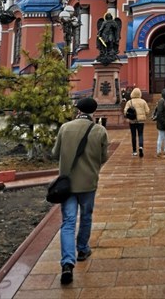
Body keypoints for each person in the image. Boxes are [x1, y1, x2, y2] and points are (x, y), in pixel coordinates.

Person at [52, 97, 108, 285]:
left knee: (68, 221)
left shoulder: (65, 128)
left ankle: (67, 263)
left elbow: (55, 153)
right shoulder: (99, 130)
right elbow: (103, 157)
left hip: (67, 184)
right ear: (94, 111)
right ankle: (82, 248)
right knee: (86, 216)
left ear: (77, 109)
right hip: (88, 183)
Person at [123, 87, 150, 157]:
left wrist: (130, 115)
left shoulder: (129, 102)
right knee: (140, 134)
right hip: (141, 121)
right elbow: (147, 111)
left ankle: (134, 151)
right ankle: (141, 147)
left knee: (133, 135)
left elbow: (125, 111)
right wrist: (143, 114)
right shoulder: (143, 101)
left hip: (132, 121)